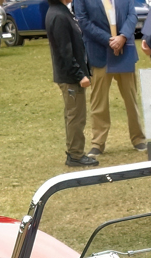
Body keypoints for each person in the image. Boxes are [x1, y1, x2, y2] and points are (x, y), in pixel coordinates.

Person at [74, 0, 145, 158]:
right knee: (99, 101)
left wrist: (123, 37)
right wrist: (109, 40)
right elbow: (83, 21)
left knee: (131, 98)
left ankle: (138, 138)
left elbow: (132, 15)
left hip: (125, 50)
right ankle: (98, 143)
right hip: (99, 52)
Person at [47, 0, 96, 167]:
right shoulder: (59, 16)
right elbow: (65, 50)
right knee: (76, 116)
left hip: (70, 75)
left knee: (73, 114)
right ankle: (75, 154)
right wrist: (79, 74)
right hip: (70, 78)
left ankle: (74, 151)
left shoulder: (61, 12)